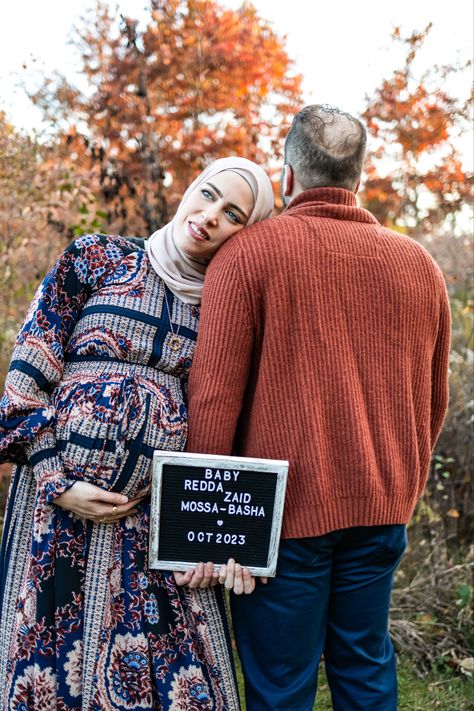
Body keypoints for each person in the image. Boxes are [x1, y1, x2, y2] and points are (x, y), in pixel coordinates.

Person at [186, 106, 451, 710]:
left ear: (286, 177)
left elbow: (214, 397)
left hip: (278, 520)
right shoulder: (420, 267)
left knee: (280, 687)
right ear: (359, 176)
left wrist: (204, 525)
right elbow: (433, 401)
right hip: (382, 506)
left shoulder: (249, 255)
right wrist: (399, 490)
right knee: (364, 668)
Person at [0, 157, 274, 710]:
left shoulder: (228, 306)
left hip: (154, 525)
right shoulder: (96, 258)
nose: (209, 216)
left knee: (179, 685)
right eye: (207, 195)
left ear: (248, 232)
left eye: (232, 214)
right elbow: (25, 383)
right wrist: (57, 481)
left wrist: (208, 536)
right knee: (46, 677)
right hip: (53, 512)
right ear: (190, 188)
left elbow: (231, 423)